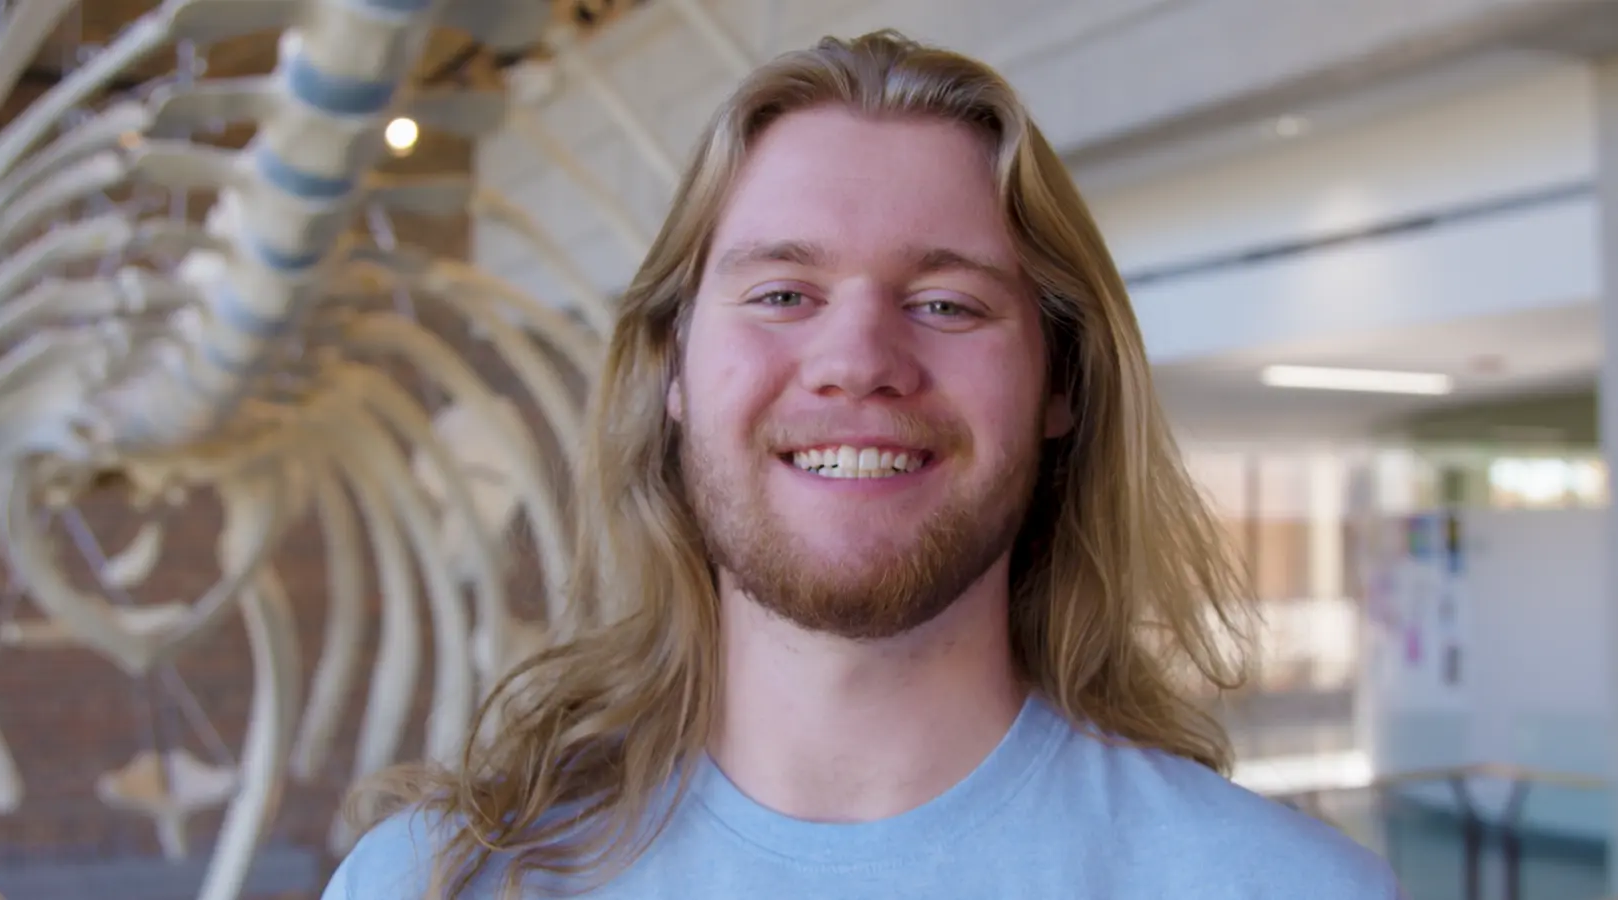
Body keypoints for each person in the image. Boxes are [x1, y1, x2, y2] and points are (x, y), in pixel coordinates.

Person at [322, 29, 1406, 900]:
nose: (857, 363)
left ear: (1060, 387)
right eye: (783, 294)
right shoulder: (436, 882)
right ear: (674, 372)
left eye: (946, 303)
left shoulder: (1278, 885)